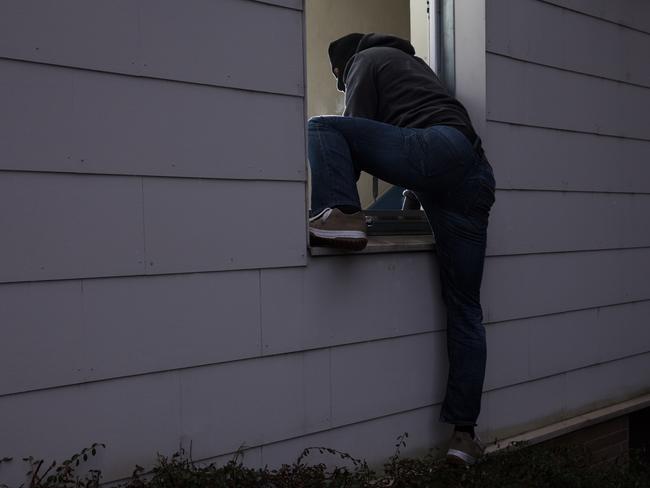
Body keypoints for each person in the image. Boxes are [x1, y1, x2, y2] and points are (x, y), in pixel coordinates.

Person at [307, 32, 496, 465]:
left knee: (321, 127)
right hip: (474, 174)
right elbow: (409, 141)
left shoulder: (364, 61)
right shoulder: (414, 69)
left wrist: (334, 193)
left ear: (342, 66)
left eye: (339, 79)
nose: (342, 84)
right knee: (465, 308)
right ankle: (463, 437)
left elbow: (351, 136)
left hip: (439, 152)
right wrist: (410, 197)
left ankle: (339, 216)